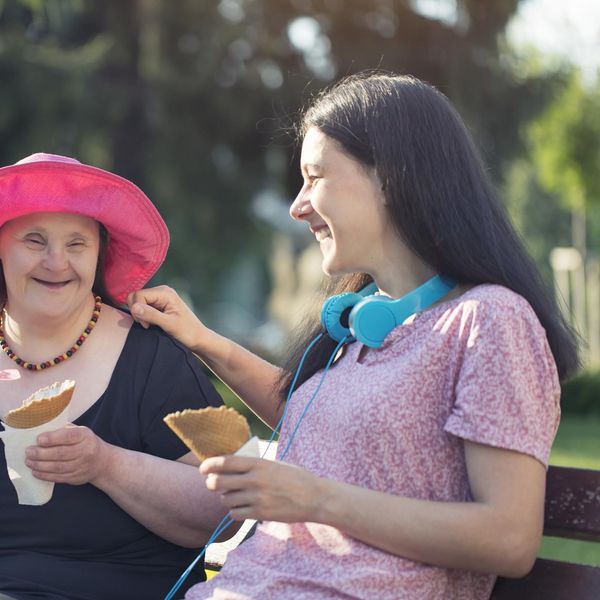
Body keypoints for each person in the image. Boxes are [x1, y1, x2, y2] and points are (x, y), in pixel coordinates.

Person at [128, 73, 579, 600]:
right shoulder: (366, 321)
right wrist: (203, 339)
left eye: (313, 177)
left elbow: (508, 538)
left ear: (389, 177)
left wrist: (316, 499)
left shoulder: (490, 321)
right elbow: (321, 425)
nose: (297, 206)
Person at [0, 153, 232, 600]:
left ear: (99, 253)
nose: (56, 261)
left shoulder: (156, 356)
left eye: (76, 244)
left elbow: (231, 506)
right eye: (34, 240)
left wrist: (106, 465)